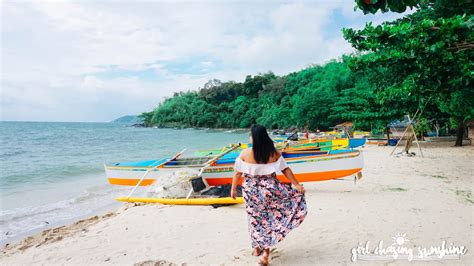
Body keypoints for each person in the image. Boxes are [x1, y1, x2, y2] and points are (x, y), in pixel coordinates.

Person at [231, 125, 307, 265]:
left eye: (250, 135)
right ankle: (262, 249)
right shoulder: (274, 153)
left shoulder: (245, 153)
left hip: (252, 191)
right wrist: (296, 184)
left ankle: (260, 250)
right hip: (271, 189)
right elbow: (285, 169)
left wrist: (233, 189)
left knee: (255, 220)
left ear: (254, 137)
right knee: (269, 219)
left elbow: (237, 173)